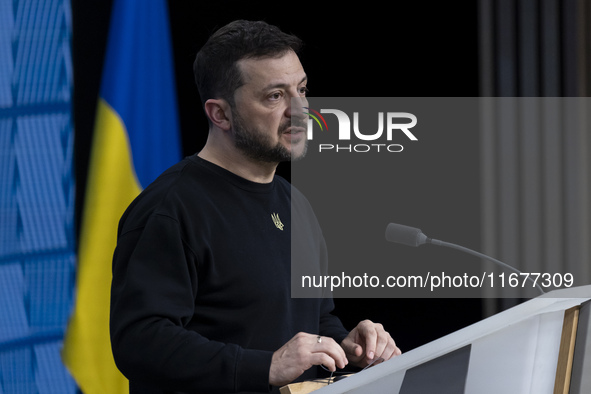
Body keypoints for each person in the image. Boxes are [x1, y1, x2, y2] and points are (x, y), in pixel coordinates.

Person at [110, 19, 401, 394]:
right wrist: (266, 366)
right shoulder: (170, 208)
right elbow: (140, 342)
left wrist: (345, 346)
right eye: (275, 96)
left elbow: (316, 319)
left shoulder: (295, 203)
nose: (301, 111)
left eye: (302, 89)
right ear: (220, 114)